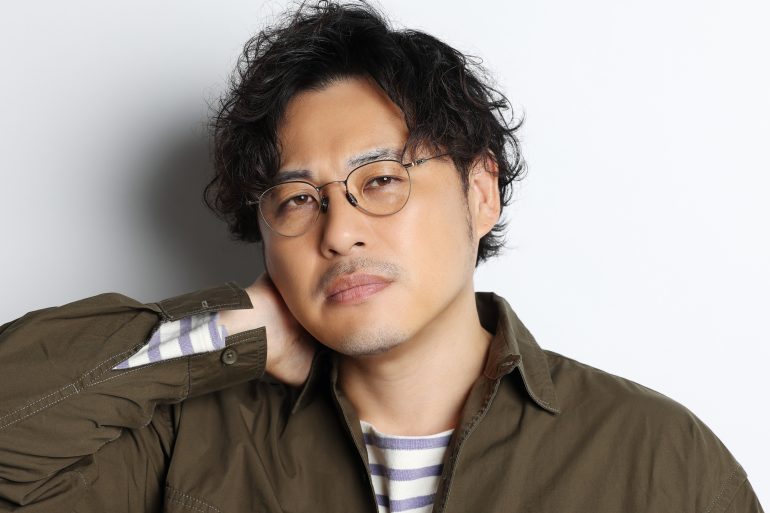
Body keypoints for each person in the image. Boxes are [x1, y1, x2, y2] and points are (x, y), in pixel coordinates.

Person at [0, 1, 763, 512]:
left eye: (381, 181)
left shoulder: (656, 456)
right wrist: (238, 326)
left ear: (480, 192)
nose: (339, 231)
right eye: (297, 199)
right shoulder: (190, 444)